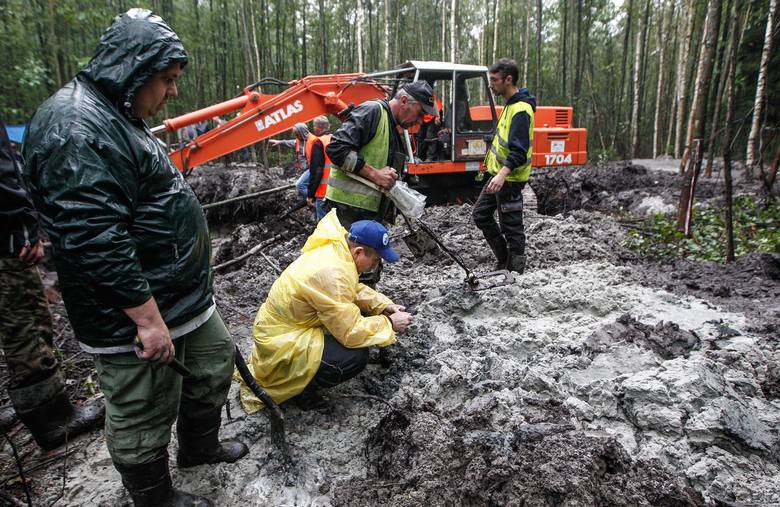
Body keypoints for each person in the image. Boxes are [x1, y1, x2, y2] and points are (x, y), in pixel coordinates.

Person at [22, 9, 247, 506]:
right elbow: (93, 237)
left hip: (180, 297)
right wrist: (146, 319)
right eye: (166, 80)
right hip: (133, 311)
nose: (173, 92)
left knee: (213, 364)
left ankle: (199, 448)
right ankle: (152, 496)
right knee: (142, 406)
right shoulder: (76, 128)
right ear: (133, 69)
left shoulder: (120, 111)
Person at [237, 209, 413, 413]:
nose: (376, 265)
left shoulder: (336, 251)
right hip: (281, 342)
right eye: (374, 260)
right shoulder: (333, 273)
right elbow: (350, 332)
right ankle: (302, 392)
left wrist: (383, 305)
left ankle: (307, 373)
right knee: (354, 357)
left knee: (362, 318)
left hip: (283, 327)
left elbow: (350, 289)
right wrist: (389, 324)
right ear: (358, 252)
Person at [0, 119, 105, 450]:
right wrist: (25, 225)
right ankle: (53, 420)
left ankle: (36, 406)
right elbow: (5, 174)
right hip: (6, 243)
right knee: (27, 324)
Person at [324, 80, 438, 229]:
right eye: (420, 113)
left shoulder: (393, 126)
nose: (421, 122)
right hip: (346, 212)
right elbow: (336, 148)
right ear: (404, 101)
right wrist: (375, 174)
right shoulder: (372, 111)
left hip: (366, 214)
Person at [472, 58, 536, 274]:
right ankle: (504, 261)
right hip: (498, 176)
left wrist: (501, 175)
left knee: (512, 227)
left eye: (494, 80)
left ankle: (516, 272)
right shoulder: (510, 106)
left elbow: (518, 150)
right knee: (480, 214)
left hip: (509, 179)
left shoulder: (520, 109)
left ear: (508, 80)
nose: (491, 84)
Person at [269, 122, 312, 198]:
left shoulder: (312, 142)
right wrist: (279, 142)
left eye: (297, 134)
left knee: (299, 185)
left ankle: (313, 199)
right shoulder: (299, 141)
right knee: (305, 186)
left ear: (301, 132)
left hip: (312, 169)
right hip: (305, 169)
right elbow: (290, 142)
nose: (296, 136)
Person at [306, 115, 333, 221]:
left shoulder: (319, 143)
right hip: (336, 191)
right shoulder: (335, 138)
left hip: (323, 192)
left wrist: (310, 195)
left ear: (317, 128)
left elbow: (316, 172)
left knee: (323, 226)